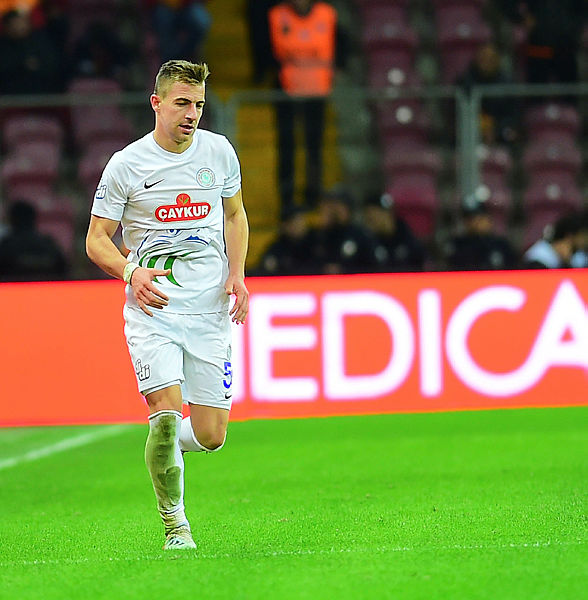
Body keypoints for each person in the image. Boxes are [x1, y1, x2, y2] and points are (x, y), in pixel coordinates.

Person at [85, 60, 249, 551]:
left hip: (209, 311)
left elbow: (235, 215)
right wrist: (130, 272)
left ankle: (163, 446)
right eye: (182, 103)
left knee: (212, 435)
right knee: (164, 414)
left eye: (198, 104)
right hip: (153, 310)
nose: (191, 113)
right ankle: (176, 526)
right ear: (156, 103)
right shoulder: (127, 164)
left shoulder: (218, 152)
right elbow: (96, 239)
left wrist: (238, 273)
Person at [268, 0, 346, 218]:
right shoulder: (278, 15)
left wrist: (338, 67)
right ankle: (287, 199)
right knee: (287, 146)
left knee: (315, 146)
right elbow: (270, 50)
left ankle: (313, 196)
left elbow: (341, 44)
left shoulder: (327, 14)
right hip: (285, 89)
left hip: (317, 90)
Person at [456, 41, 519, 145]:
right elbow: (457, 115)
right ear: (477, 59)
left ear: (497, 60)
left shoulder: (507, 83)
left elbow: (513, 114)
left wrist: (496, 129)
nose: (486, 62)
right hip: (470, 132)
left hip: (500, 131)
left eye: (490, 59)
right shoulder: (465, 82)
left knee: (510, 134)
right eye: (483, 58)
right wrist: (482, 126)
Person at [313, 189, 379, 275]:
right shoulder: (318, 236)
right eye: (331, 207)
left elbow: (372, 266)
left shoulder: (359, 235)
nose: (334, 212)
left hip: (354, 281)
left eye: (339, 207)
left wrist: (344, 270)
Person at [0, 200, 68, 282]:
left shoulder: (6, 246)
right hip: (47, 289)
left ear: (11, 220)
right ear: (34, 219)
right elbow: (64, 271)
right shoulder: (49, 244)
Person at [0, 8, 62, 94]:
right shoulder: (3, 45)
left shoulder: (39, 40)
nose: (19, 27)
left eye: (21, 22)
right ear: (7, 27)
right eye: (15, 24)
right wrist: (23, 64)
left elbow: (52, 65)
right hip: (10, 94)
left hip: (41, 92)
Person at [444, 199, 518, 271]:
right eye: (470, 218)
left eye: (479, 217)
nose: (475, 222)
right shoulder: (458, 244)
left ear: (487, 218)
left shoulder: (500, 244)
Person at [363, 192, 426, 273]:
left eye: (373, 216)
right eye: (368, 217)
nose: (370, 221)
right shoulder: (369, 241)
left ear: (387, 214)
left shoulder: (408, 238)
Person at [255, 206, 319, 275]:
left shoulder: (314, 241)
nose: (301, 224)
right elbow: (266, 267)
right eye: (296, 221)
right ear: (285, 225)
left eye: (302, 220)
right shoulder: (278, 247)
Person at [143, 0, 211, 63]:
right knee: (165, 39)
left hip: (187, 6)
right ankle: (170, 61)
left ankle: (187, 55)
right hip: (163, 7)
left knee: (200, 22)